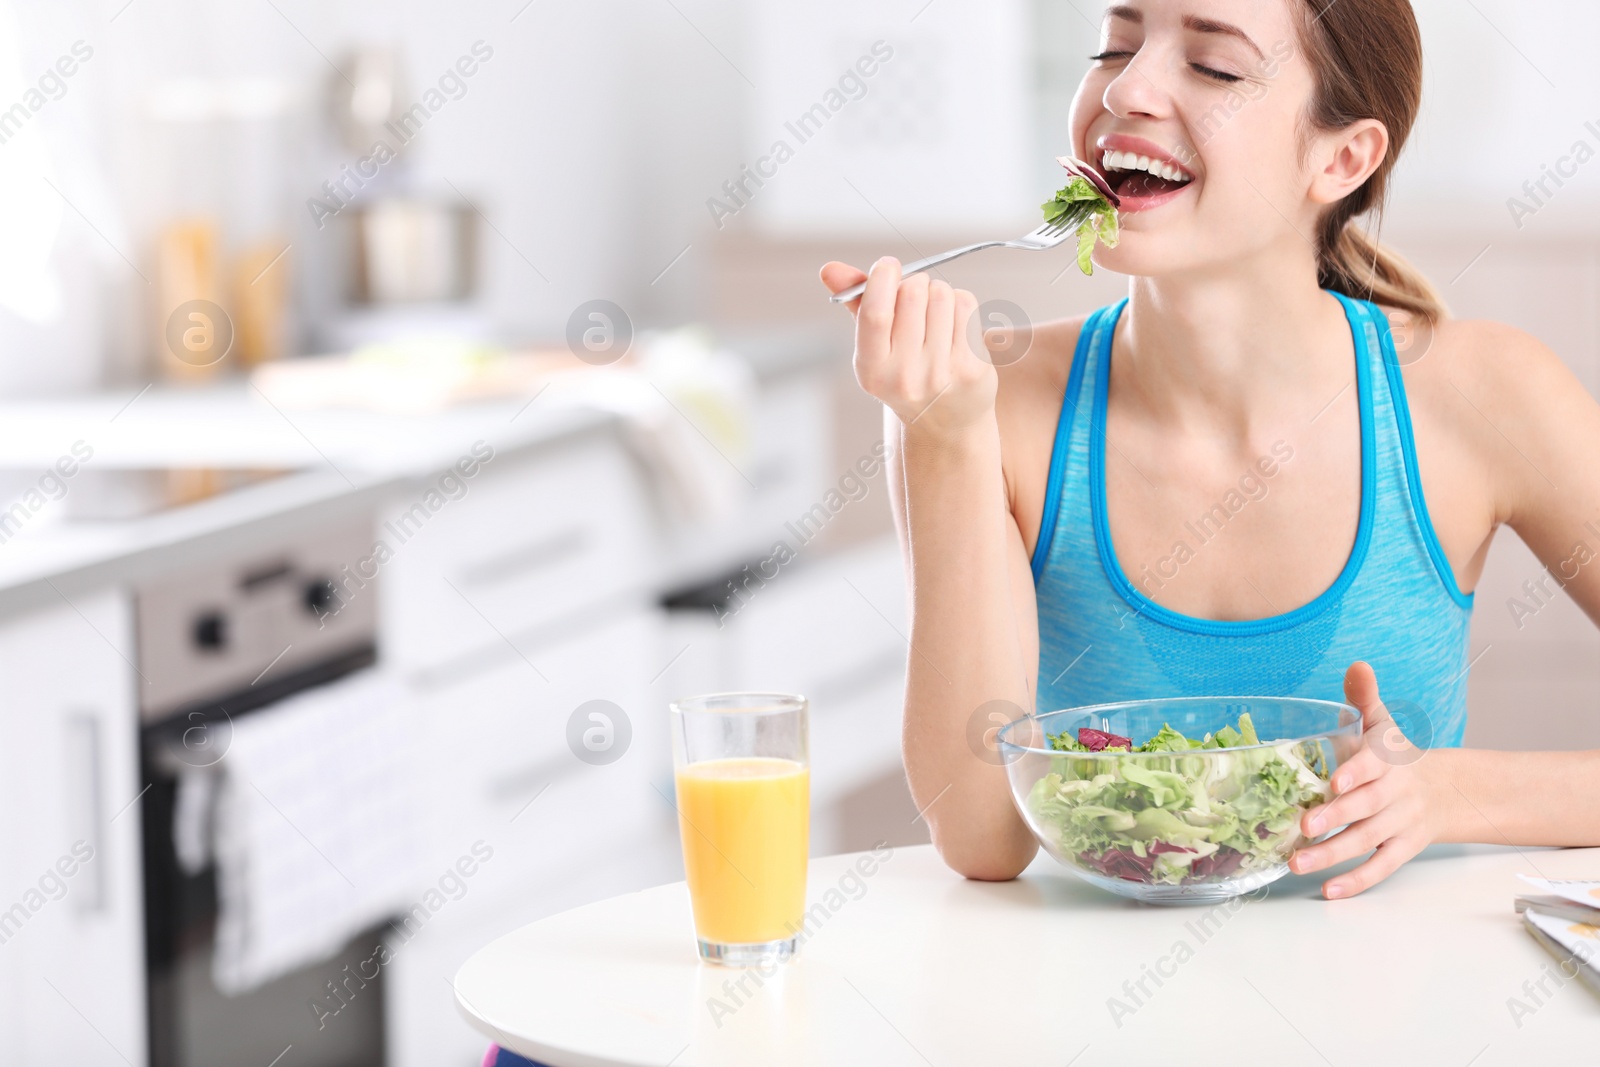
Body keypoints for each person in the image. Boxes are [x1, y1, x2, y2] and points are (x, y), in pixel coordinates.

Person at [820, 0, 1600, 897]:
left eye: (1216, 68)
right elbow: (982, 830)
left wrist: (1449, 792)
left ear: (1342, 157)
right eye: (1115, 44)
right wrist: (948, 438)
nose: (1127, 85)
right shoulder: (982, 402)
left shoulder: (1485, 394)